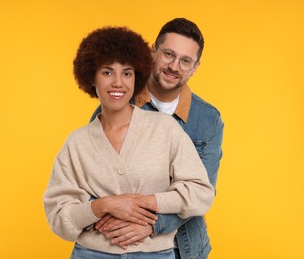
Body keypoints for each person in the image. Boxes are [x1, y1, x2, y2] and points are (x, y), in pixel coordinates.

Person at [43, 26, 215, 258]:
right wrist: (105, 205)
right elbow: (59, 216)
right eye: (106, 72)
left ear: (137, 77)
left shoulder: (167, 129)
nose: (117, 82)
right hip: (91, 253)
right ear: (91, 77)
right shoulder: (77, 143)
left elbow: (201, 192)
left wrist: (146, 204)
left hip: (158, 252)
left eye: (126, 73)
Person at [91, 18, 224, 259]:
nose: (175, 66)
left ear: (195, 67)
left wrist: (152, 224)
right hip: (121, 246)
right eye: (168, 55)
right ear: (153, 52)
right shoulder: (115, 103)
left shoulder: (208, 120)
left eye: (186, 61)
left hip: (185, 249)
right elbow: (94, 183)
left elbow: (202, 192)